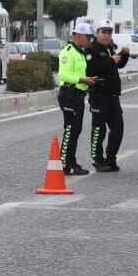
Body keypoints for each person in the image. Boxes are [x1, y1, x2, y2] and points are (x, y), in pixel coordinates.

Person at [87, 23, 131, 172]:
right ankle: (98, 160)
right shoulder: (91, 50)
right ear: (97, 33)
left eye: (109, 32)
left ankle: (111, 159)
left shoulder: (109, 48)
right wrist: (111, 60)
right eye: (104, 32)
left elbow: (117, 65)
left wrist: (124, 54)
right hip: (99, 95)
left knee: (118, 128)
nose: (107, 35)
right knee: (99, 130)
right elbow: (93, 69)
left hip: (113, 96)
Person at [56, 20, 98, 176]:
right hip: (69, 94)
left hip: (79, 95)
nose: (90, 41)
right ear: (78, 36)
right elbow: (63, 75)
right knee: (70, 129)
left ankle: (71, 162)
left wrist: (88, 80)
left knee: (76, 130)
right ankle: (64, 164)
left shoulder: (80, 53)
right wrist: (82, 80)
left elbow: (80, 73)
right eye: (88, 37)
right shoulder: (68, 52)